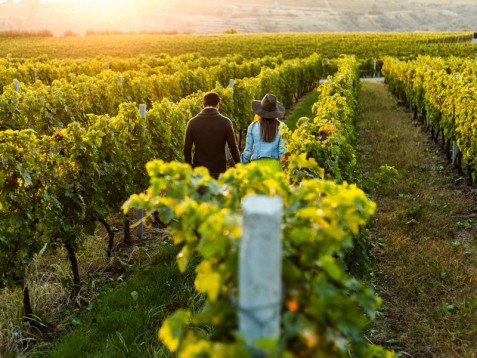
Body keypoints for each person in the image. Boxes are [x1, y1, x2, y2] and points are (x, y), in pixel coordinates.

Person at [184, 92, 241, 179]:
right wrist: (239, 166)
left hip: (199, 170)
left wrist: (190, 168)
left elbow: (187, 149)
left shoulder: (192, 122)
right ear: (218, 105)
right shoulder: (225, 122)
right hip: (219, 170)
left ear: (203, 104)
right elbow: (233, 147)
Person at [240, 93, 287, 173]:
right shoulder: (282, 126)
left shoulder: (253, 126)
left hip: (256, 167)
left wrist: (241, 163)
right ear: (275, 112)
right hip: (274, 166)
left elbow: (248, 151)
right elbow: (282, 151)